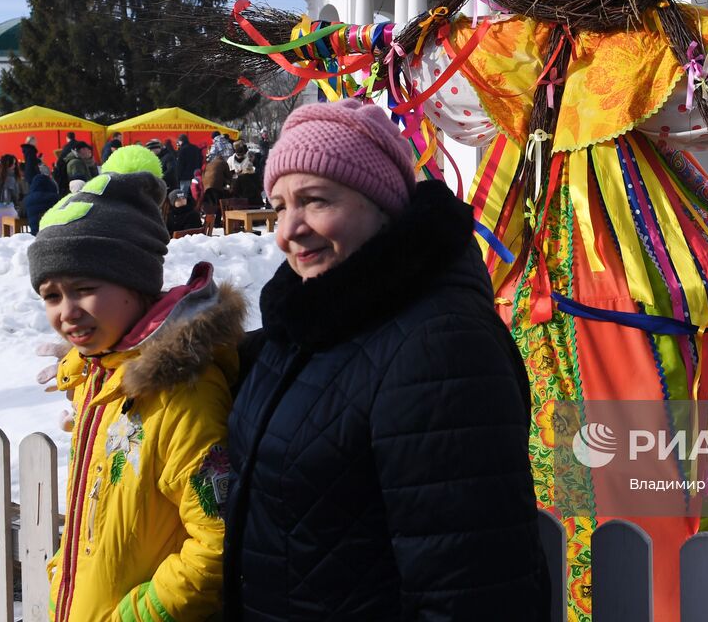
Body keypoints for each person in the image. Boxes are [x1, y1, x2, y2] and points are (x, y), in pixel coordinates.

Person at [222, 99, 546, 620]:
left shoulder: (440, 348)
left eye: (316, 200)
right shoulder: (308, 320)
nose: (287, 230)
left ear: (382, 206)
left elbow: (469, 592)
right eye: (280, 205)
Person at [30, 146, 243, 622]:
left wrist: (136, 616)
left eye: (85, 288)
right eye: (51, 295)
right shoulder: (100, 379)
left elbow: (217, 543)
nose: (66, 312)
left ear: (136, 283)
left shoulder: (182, 394)